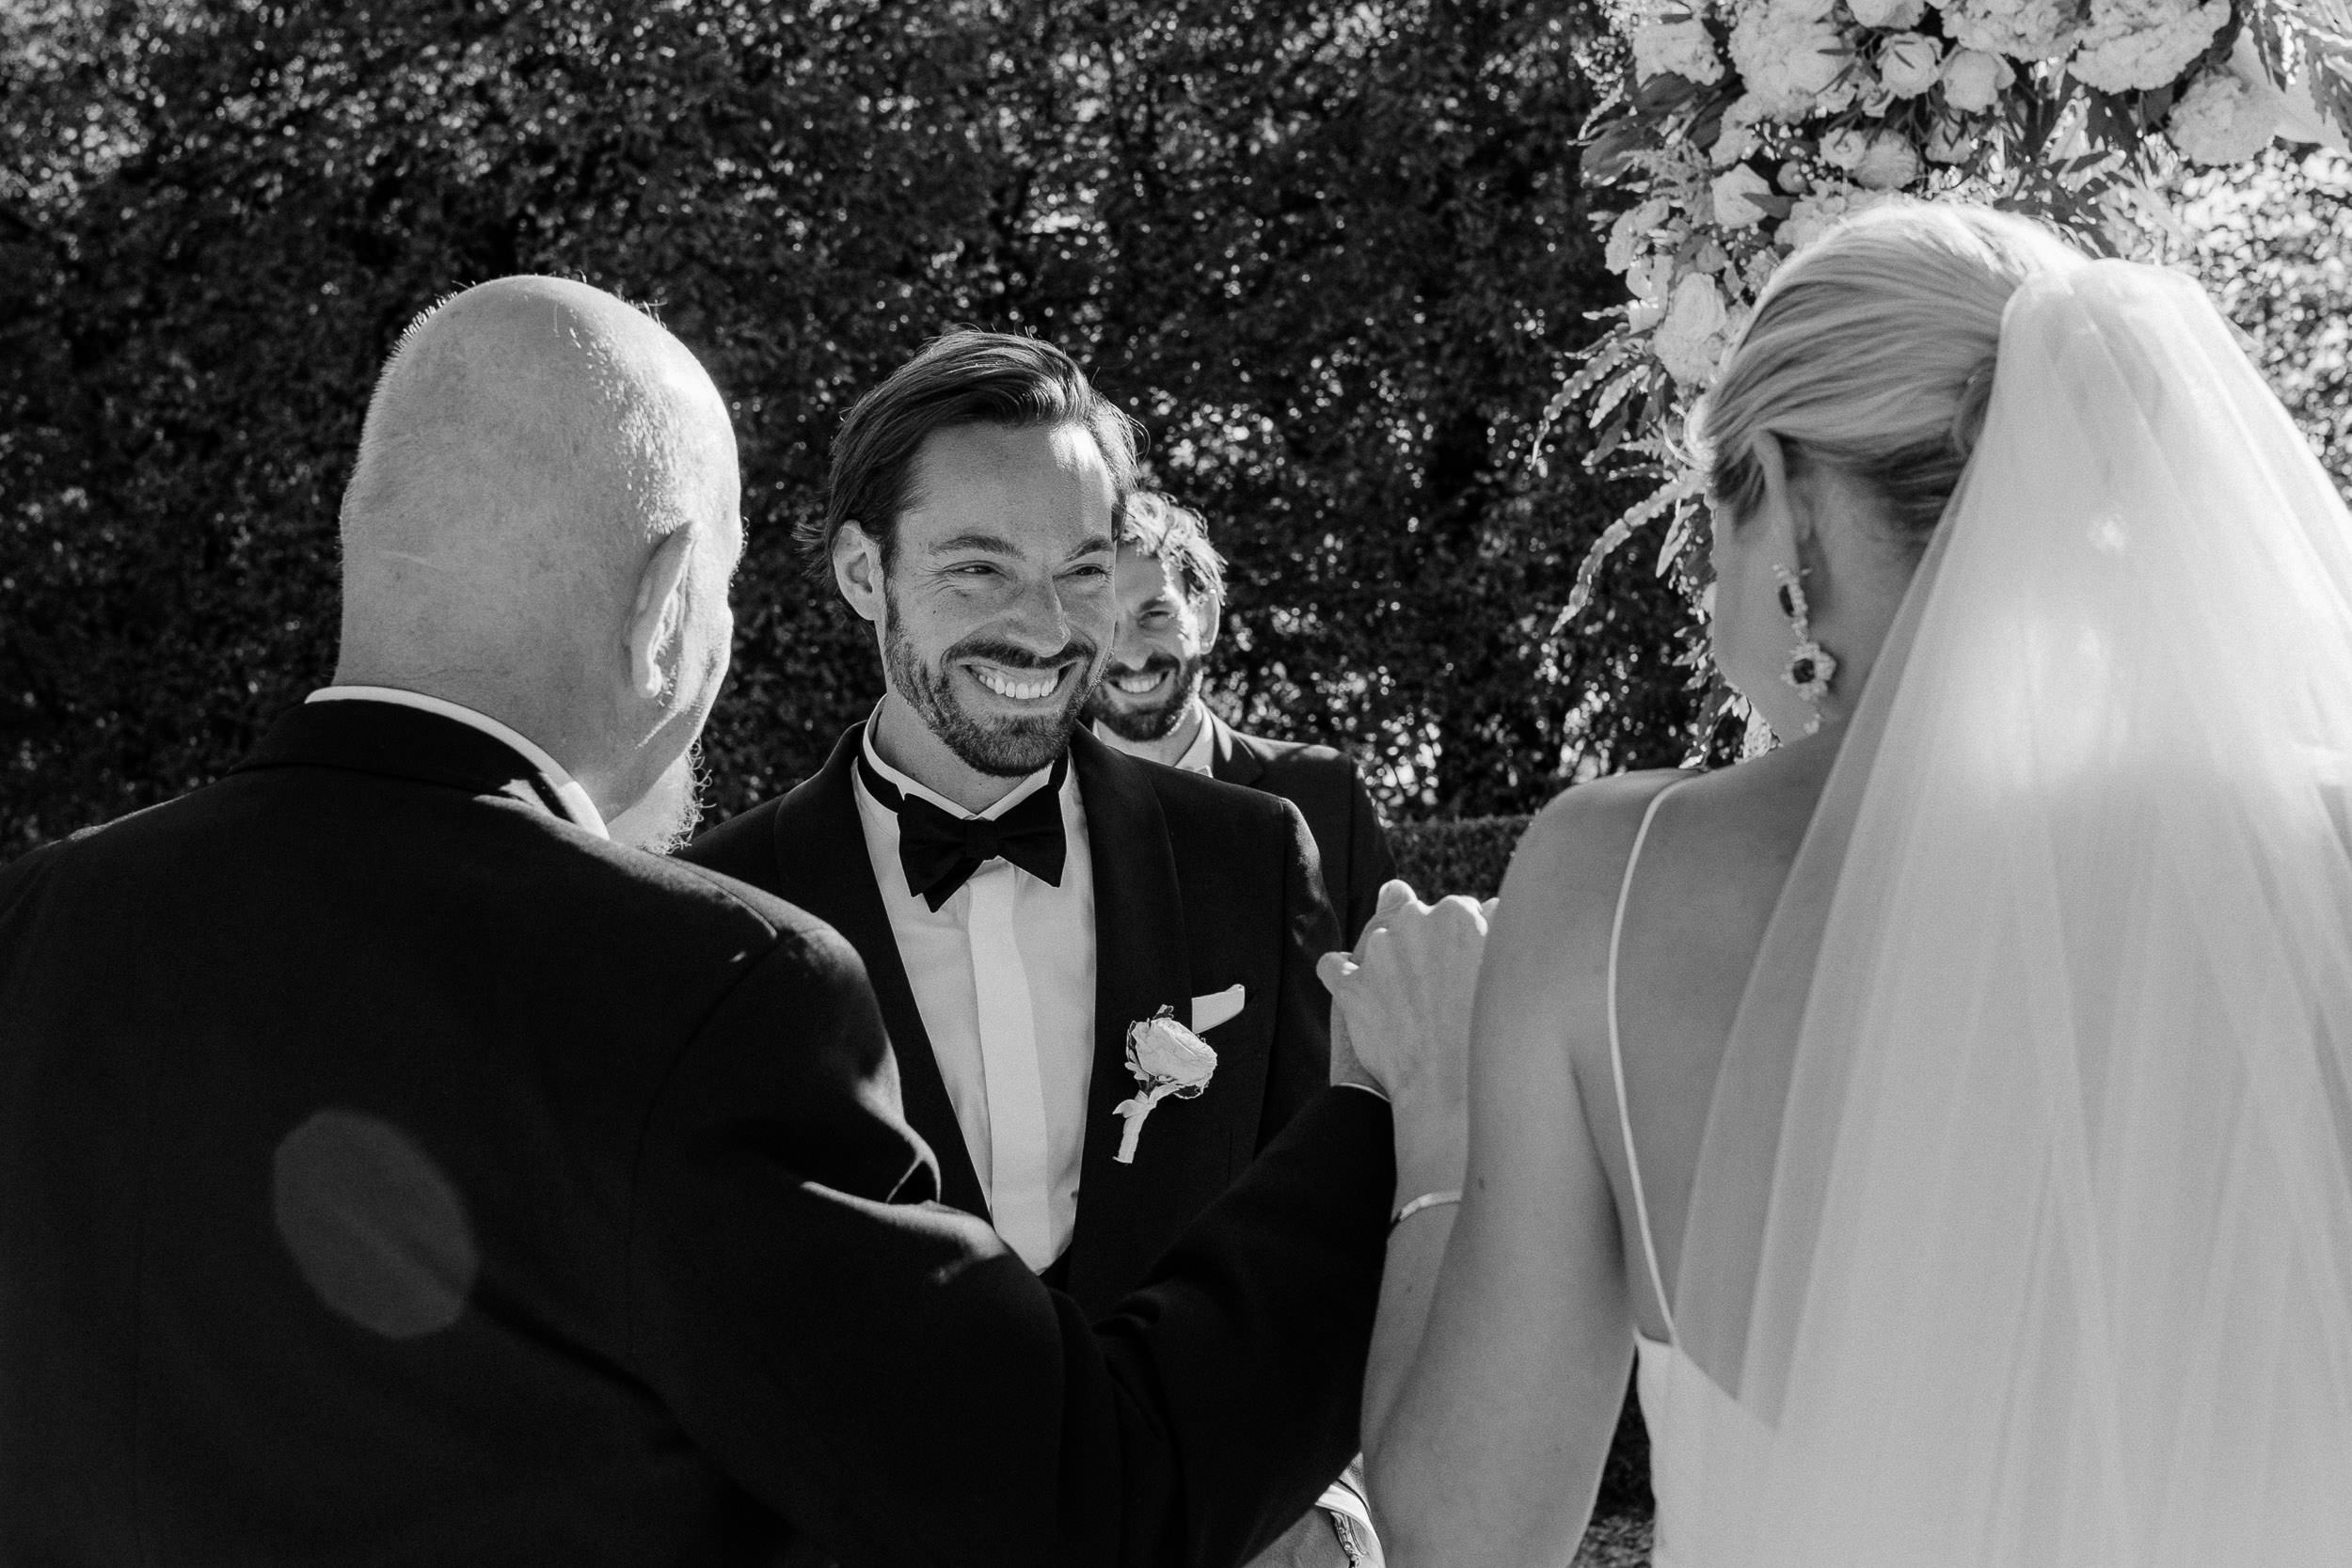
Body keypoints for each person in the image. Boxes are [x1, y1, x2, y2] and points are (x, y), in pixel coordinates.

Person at [0, 277, 1433, 1567]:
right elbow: (1075, 1502)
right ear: (670, 598)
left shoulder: (32, 926)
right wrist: (1388, 1111)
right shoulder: (711, 980)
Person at [1330, 202, 2352, 1566]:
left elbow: (1466, 1534)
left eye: (1715, 513)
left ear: (1785, 494)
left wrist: (1443, 1117)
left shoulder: (1614, 889)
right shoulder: (2326, 855)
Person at [680, 331, 1377, 1566]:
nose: (1044, 628)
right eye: (977, 568)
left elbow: (1318, 1250)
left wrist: (1330, 1512)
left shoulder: (1251, 858)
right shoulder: (716, 915)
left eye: (1081, 570)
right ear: (862, 571)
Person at [1088, 491, 1397, 944]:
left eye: (1155, 614)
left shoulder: (1328, 795)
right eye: (1103, 624)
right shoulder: (1027, 803)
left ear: (1206, 619)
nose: (1132, 655)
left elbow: (1382, 990)